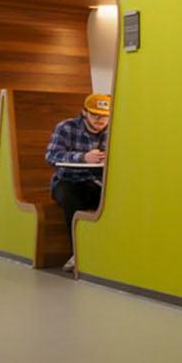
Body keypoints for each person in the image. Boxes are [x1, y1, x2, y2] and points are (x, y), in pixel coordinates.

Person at [45, 93, 111, 274]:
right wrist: (83, 157)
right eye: (95, 114)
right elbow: (51, 156)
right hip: (67, 181)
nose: (100, 120)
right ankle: (78, 252)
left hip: (96, 182)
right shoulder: (66, 128)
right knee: (71, 198)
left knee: (116, 199)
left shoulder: (112, 131)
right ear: (84, 112)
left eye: (104, 115)